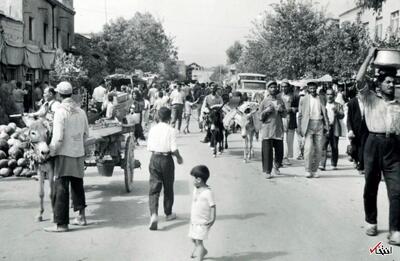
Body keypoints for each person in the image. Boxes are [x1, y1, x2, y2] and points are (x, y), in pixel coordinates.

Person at [356, 48, 400, 245]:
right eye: (388, 82)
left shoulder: (398, 103)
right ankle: (371, 221)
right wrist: (370, 55)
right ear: (380, 84)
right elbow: (359, 79)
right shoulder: (370, 98)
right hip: (373, 143)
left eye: (393, 82)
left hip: (394, 147)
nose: (391, 85)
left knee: (397, 190)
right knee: (371, 186)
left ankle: (395, 230)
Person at [45, 81, 89, 232]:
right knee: (77, 184)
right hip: (78, 152)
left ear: (58, 94)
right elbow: (86, 134)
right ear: (71, 93)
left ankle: (62, 224)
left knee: (62, 187)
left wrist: (51, 151)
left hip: (64, 153)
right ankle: (81, 217)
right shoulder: (81, 111)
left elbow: (57, 137)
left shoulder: (60, 111)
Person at [147, 107, 184, 230]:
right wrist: (179, 158)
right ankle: (168, 214)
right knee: (168, 187)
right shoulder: (171, 130)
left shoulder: (152, 129)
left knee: (154, 189)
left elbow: (150, 147)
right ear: (169, 118)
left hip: (154, 158)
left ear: (158, 116)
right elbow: (173, 149)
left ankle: (153, 215)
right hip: (167, 160)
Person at [298, 81, 329, 178]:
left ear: (317, 88)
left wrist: (327, 125)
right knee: (308, 149)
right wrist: (299, 128)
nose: (312, 90)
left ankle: (314, 170)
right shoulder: (303, 99)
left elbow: (325, 113)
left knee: (319, 149)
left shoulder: (322, 98)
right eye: (310, 88)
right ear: (308, 89)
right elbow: (300, 115)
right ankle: (307, 170)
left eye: (314, 88)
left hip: (319, 124)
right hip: (308, 124)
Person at [259, 81, 287, 179]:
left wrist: (281, 110)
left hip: (278, 129)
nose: (273, 89)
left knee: (280, 152)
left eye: (275, 87)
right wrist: (266, 111)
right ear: (268, 89)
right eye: (271, 87)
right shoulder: (264, 101)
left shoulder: (280, 101)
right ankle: (267, 171)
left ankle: (277, 165)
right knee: (267, 152)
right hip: (267, 129)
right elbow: (260, 117)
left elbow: (285, 115)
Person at [189, 165, 216, 261]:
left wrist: (213, 218)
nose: (192, 180)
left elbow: (213, 206)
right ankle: (203, 251)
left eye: (193, 178)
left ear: (199, 179)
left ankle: (199, 257)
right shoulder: (196, 189)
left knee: (198, 242)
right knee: (193, 239)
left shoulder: (208, 193)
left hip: (202, 222)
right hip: (194, 221)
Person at [319, 88, 344, 170]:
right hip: (324, 127)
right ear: (326, 95)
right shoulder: (322, 105)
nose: (329, 96)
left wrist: (337, 111)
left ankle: (334, 164)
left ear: (334, 95)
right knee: (323, 146)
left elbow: (342, 116)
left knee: (334, 146)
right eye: (328, 94)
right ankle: (322, 164)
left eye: (331, 94)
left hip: (334, 127)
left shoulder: (338, 105)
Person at [347, 92, 368, 174]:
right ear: (357, 93)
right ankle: (355, 159)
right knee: (355, 148)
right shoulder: (352, 102)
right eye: (361, 93)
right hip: (355, 129)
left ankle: (361, 166)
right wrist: (350, 130)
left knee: (363, 147)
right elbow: (349, 118)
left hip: (365, 128)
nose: (363, 95)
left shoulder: (368, 102)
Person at [280, 80, 298, 166]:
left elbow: (298, 107)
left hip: (291, 119)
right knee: (281, 139)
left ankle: (286, 156)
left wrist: (293, 109)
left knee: (289, 140)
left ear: (289, 87)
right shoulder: (278, 96)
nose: (284, 88)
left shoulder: (294, 96)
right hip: (281, 119)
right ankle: (282, 156)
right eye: (282, 86)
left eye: (285, 86)